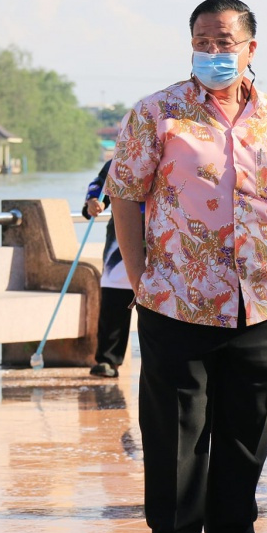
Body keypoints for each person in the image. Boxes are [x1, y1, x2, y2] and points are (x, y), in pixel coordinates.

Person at [105, 0, 267, 533]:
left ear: (251, 48)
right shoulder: (158, 112)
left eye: (225, 42)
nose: (214, 52)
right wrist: (143, 276)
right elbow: (126, 191)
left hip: (262, 300)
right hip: (178, 297)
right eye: (203, 41)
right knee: (176, 431)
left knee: (247, 432)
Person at [82, 159, 144, 378]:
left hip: (164, 236)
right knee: (115, 295)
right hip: (122, 238)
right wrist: (92, 202)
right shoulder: (121, 159)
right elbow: (99, 185)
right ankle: (108, 360)